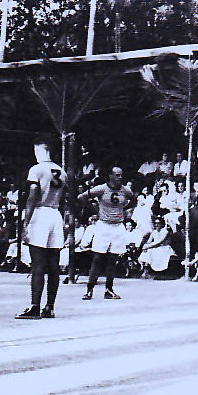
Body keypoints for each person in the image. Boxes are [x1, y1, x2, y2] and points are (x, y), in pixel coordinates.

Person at [15, 137, 68, 319]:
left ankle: (35, 306)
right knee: (53, 264)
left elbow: (32, 196)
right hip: (55, 213)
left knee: (37, 263)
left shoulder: (37, 169)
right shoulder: (62, 172)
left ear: (40, 151)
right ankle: (50, 307)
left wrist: (25, 222)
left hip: (40, 212)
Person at [77, 165, 135, 300]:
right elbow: (81, 197)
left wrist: (124, 209)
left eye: (121, 175)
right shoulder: (101, 188)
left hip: (118, 226)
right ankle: (89, 289)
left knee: (113, 258)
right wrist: (95, 210)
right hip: (104, 225)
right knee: (97, 257)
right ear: (110, 176)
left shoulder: (125, 190)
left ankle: (109, 289)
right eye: (117, 175)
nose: (120, 177)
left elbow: (133, 198)